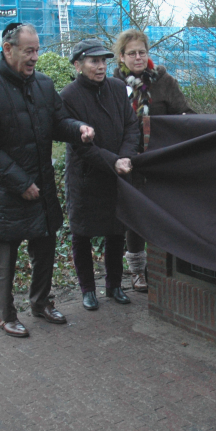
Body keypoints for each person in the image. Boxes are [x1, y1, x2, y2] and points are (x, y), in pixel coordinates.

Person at [0, 23, 95, 338]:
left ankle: (40, 303)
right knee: (6, 255)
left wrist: (77, 128)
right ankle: (6, 314)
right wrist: (20, 182)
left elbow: (58, 122)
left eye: (37, 50)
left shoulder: (43, 85)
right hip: (5, 190)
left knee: (45, 246)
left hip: (42, 184)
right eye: (29, 50)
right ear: (8, 49)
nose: (35, 56)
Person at [60, 39, 140, 310]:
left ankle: (115, 285)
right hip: (85, 177)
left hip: (116, 173)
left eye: (104, 61)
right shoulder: (68, 96)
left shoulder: (118, 88)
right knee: (82, 234)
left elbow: (131, 125)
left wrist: (126, 156)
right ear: (78, 65)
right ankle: (87, 289)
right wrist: (113, 161)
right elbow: (80, 147)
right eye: (94, 61)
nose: (100, 66)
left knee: (116, 232)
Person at [112, 29, 194, 292]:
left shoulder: (163, 81)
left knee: (161, 212)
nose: (138, 57)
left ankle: (163, 266)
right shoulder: (112, 84)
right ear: (121, 56)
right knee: (133, 216)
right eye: (132, 53)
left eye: (142, 52)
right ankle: (137, 271)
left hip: (157, 158)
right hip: (125, 159)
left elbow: (184, 114)